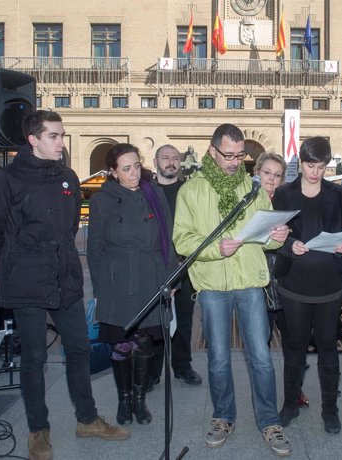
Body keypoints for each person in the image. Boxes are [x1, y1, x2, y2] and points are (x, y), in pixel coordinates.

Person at [0, 110, 129, 460]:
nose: (61, 142)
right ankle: (38, 431)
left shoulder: (68, 177)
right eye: (54, 136)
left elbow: (71, 222)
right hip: (25, 282)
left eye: (61, 135)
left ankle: (87, 419)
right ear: (33, 140)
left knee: (78, 349)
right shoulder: (6, 180)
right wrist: (10, 270)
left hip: (65, 278)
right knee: (34, 357)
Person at [172, 124, 292, 456]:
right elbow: (182, 240)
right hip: (212, 285)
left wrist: (275, 237)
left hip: (250, 282)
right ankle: (224, 416)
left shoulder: (253, 188)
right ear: (212, 151)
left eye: (241, 155)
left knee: (262, 358)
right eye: (229, 155)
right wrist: (215, 248)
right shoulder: (191, 191)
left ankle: (269, 420)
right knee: (219, 358)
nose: (236, 161)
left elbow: (263, 233)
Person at [87, 143, 178, 427]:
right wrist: (102, 290)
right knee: (122, 342)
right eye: (126, 169)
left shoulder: (155, 194)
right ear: (113, 172)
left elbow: (167, 238)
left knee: (145, 341)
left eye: (137, 166)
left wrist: (171, 276)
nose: (134, 173)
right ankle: (124, 400)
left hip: (151, 274)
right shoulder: (102, 200)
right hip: (118, 278)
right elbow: (95, 249)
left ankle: (140, 399)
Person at [272, 137, 342, 434]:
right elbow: (274, 234)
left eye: (321, 166)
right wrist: (290, 245)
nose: (315, 172)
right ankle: (291, 404)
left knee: (328, 345)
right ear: (301, 163)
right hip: (294, 282)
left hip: (330, 282)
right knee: (294, 346)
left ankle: (330, 409)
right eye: (310, 165)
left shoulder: (338, 193)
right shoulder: (284, 194)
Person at [253, 154, 311, 409]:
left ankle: (294, 391)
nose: (272, 179)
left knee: (295, 342)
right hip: (258, 282)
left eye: (278, 175)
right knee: (259, 344)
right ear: (257, 172)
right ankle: (263, 395)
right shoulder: (248, 200)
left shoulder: (291, 201)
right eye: (267, 173)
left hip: (289, 280)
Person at [149, 144, 203, 388]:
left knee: (184, 318)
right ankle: (152, 371)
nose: (171, 162)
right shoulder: (146, 192)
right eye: (165, 158)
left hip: (184, 266)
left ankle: (182, 365)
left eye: (175, 158)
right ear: (155, 161)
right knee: (154, 321)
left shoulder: (189, 190)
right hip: (155, 267)